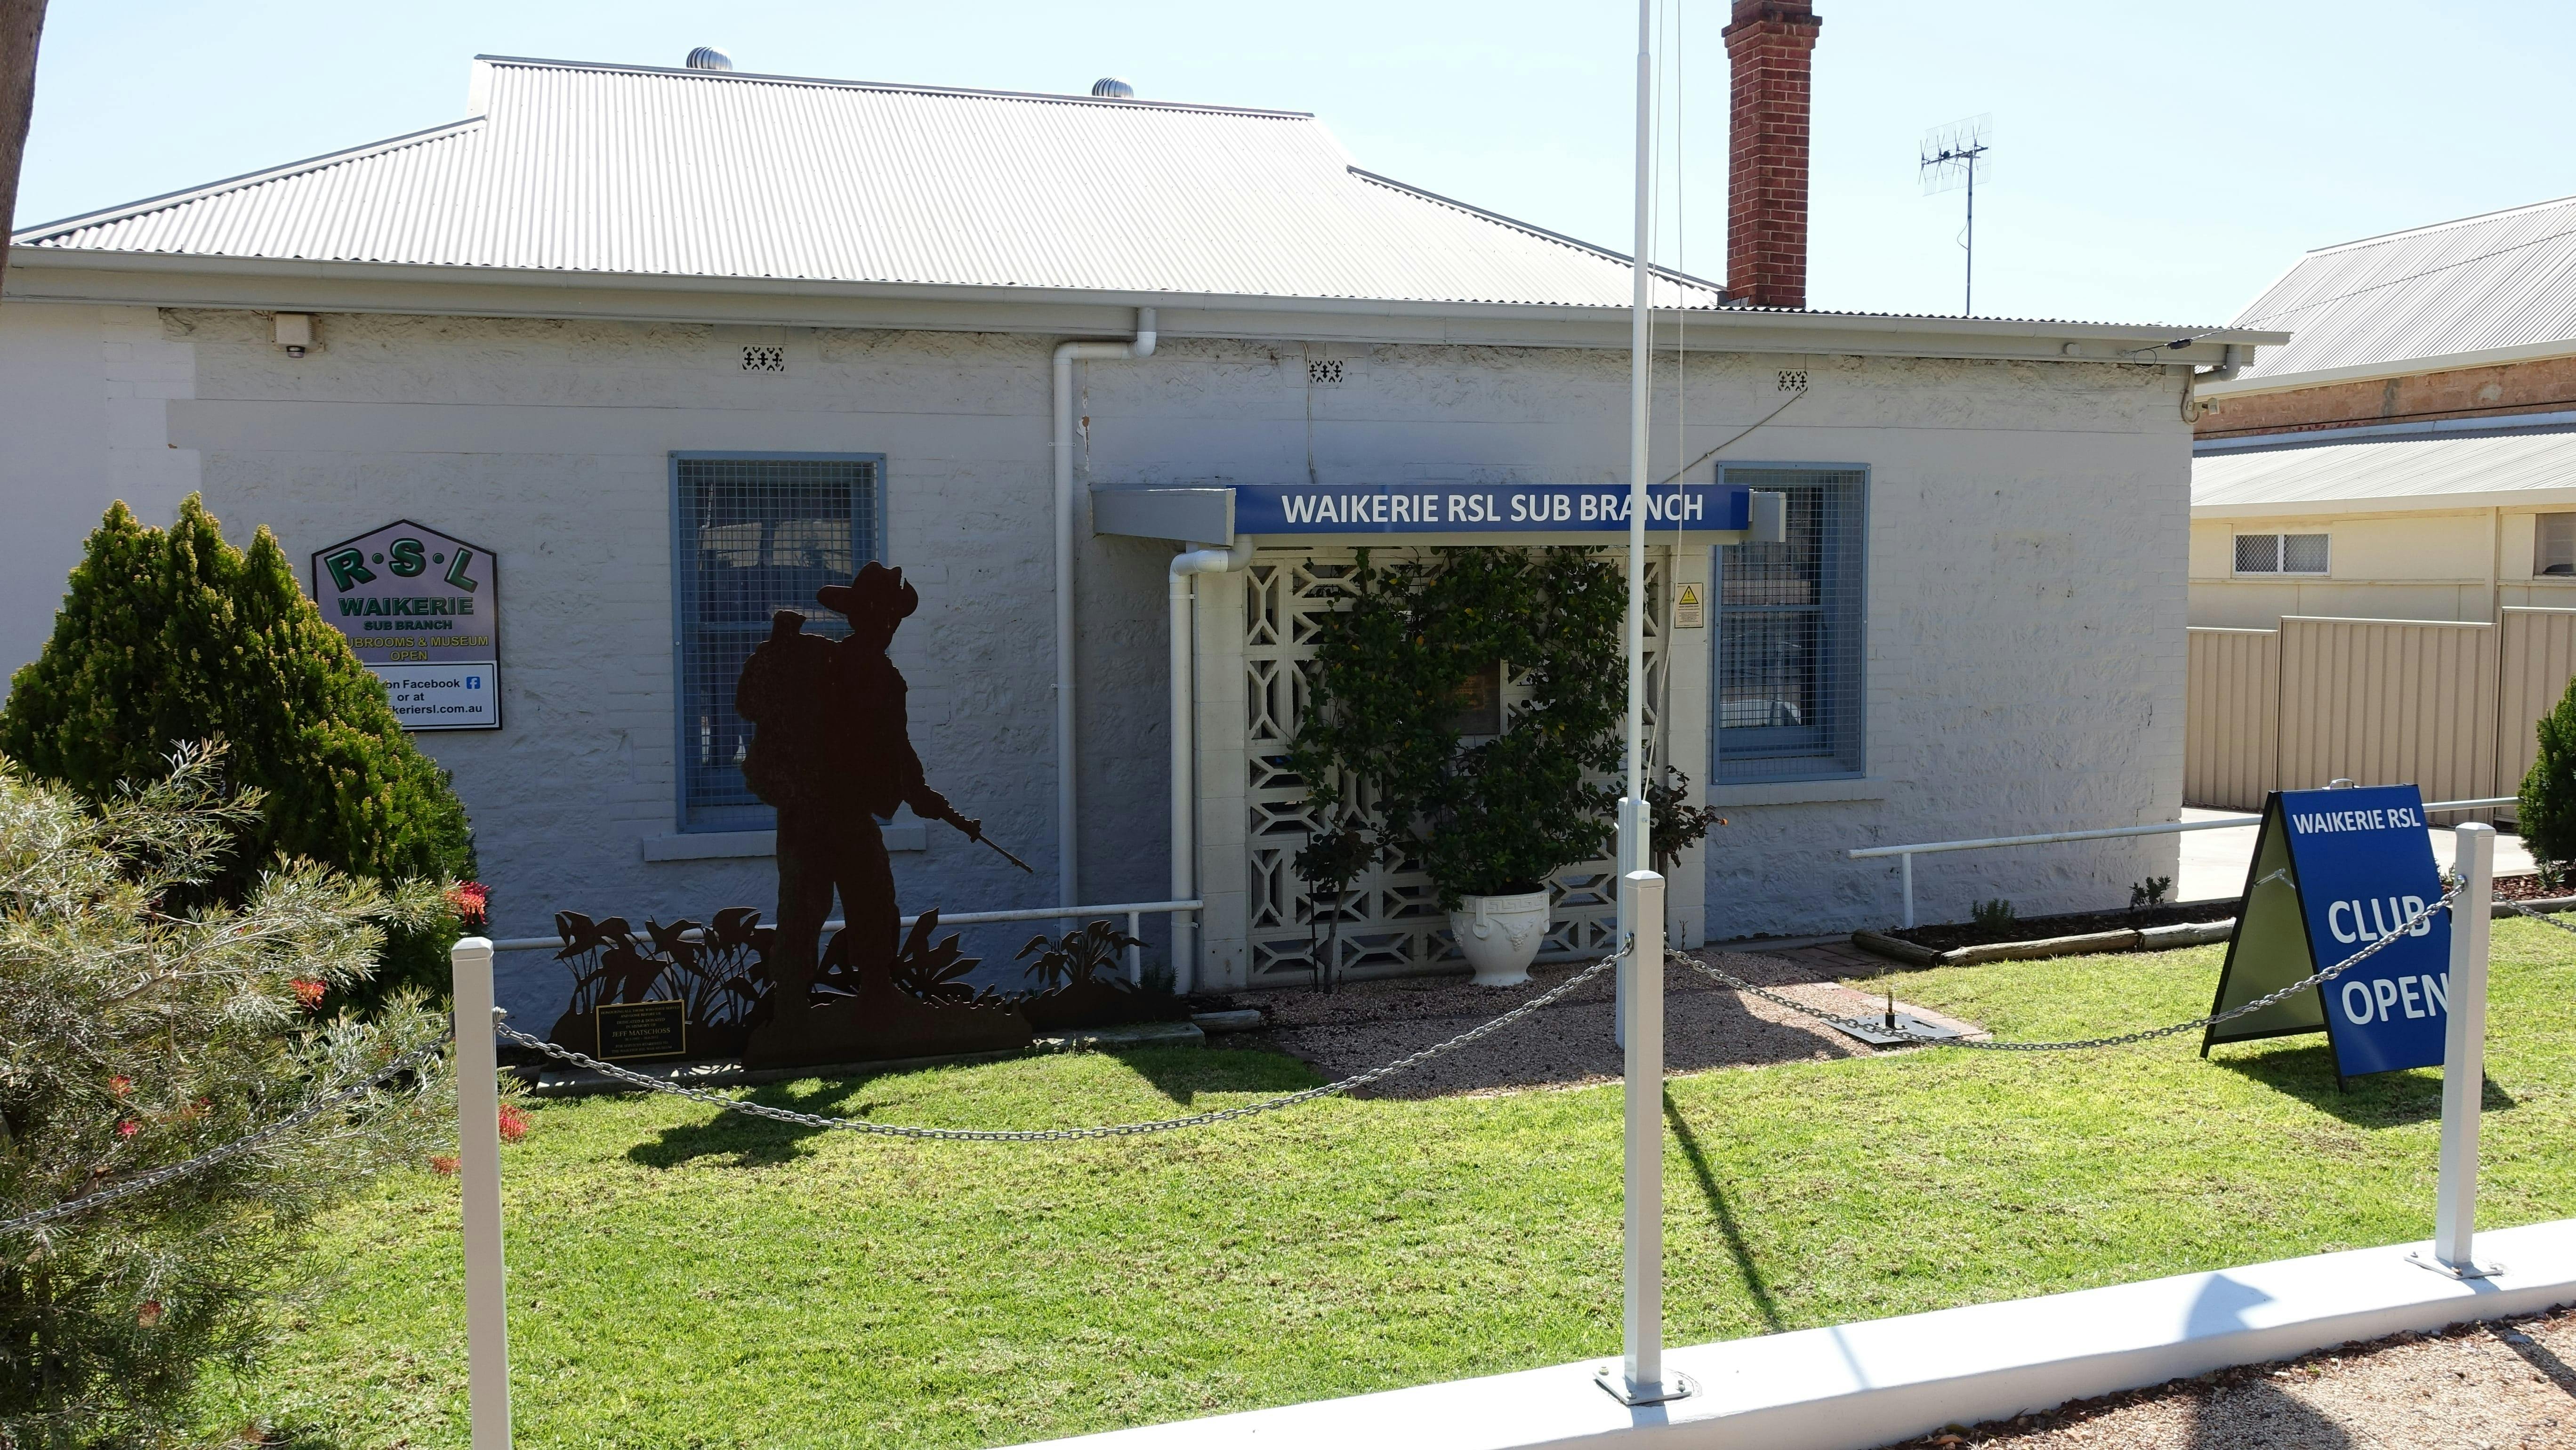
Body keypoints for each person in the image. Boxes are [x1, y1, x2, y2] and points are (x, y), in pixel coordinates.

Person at [735, 563, 978, 1010]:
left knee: (874, 901)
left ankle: (877, 992)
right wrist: (779, 645)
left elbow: (897, 750)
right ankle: (790, 1007)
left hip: (851, 813)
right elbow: (756, 705)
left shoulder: (886, 679)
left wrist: (930, 801)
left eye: (892, 619)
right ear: (858, 616)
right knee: (803, 906)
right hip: (807, 810)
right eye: (878, 615)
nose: (887, 626)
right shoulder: (816, 661)